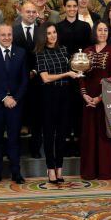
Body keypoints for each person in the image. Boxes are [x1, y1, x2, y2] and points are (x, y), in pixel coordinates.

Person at [0, 23, 28, 184]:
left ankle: (16, 173)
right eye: (3, 35)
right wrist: (4, 98)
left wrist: (14, 98)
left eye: (9, 34)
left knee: (14, 140)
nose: (7, 37)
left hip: (15, 105)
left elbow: (24, 80)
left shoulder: (21, 53)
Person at [35, 22, 80, 183]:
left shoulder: (63, 50)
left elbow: (73, 68)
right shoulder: (40, 53)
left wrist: (79, 69)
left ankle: (59, 169)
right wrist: (66, 73)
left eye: (54, 32)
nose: (52, 36)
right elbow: (45, 78)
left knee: (62, 133)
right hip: (48, 96)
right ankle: (50, 169)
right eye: (48, 33)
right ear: (43, 36)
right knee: (49, 134)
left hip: (64, 95)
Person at [79, 20, 111, 179]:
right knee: (89, 135)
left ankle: (106, 170)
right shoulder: (86, 51)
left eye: (105, 30)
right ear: (94, 32)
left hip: (106, 99)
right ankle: (90, 171)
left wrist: (100, 98)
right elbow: (80, 75)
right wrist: (85, 95)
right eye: (99, 30)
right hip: (88, 99)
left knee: (105, 135)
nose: (102, 33)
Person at [57, 0, 92, 154]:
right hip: (64, 75)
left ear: (78, 7)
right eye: (69, 6)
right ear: (64, 7)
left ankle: (79, 144)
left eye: (74, 6)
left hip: (81, 74)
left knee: (80, 110)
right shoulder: (58, 27)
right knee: (65, 110)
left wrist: (82, 69)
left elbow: (88, 49)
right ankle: (64, 145)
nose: (72, 9)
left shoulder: (85, 27)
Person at [13, 2, 42, 159]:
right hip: (18, 82)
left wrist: (34, 70)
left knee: (36, 118)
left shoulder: (41, 32)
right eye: (28, 11)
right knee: (17, 117)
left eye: (33, 12)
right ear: (21, 13)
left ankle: (36, 149)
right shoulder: (13, 32)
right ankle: (16, 150)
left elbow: (43, 55)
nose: (31, 14)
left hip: (37, 81)